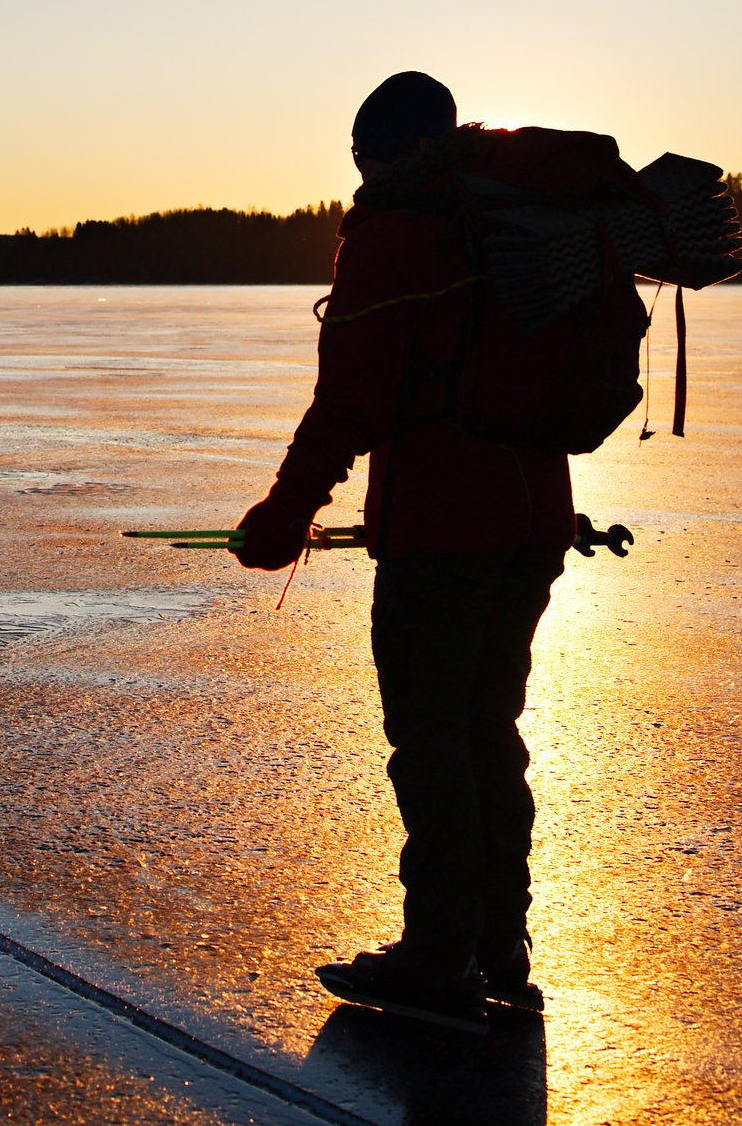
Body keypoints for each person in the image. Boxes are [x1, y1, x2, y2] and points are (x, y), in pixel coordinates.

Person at [231, 70, 653, 1034]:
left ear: (388, 153)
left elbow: (351, 401)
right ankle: (501, 945)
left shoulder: (399, 233)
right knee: (490, 733)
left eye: (361, 160)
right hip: (536, 524)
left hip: (441, 537)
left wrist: (284, 514)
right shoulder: (516, 218)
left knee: (434, 743)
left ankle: (438, 953)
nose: (357, 178)